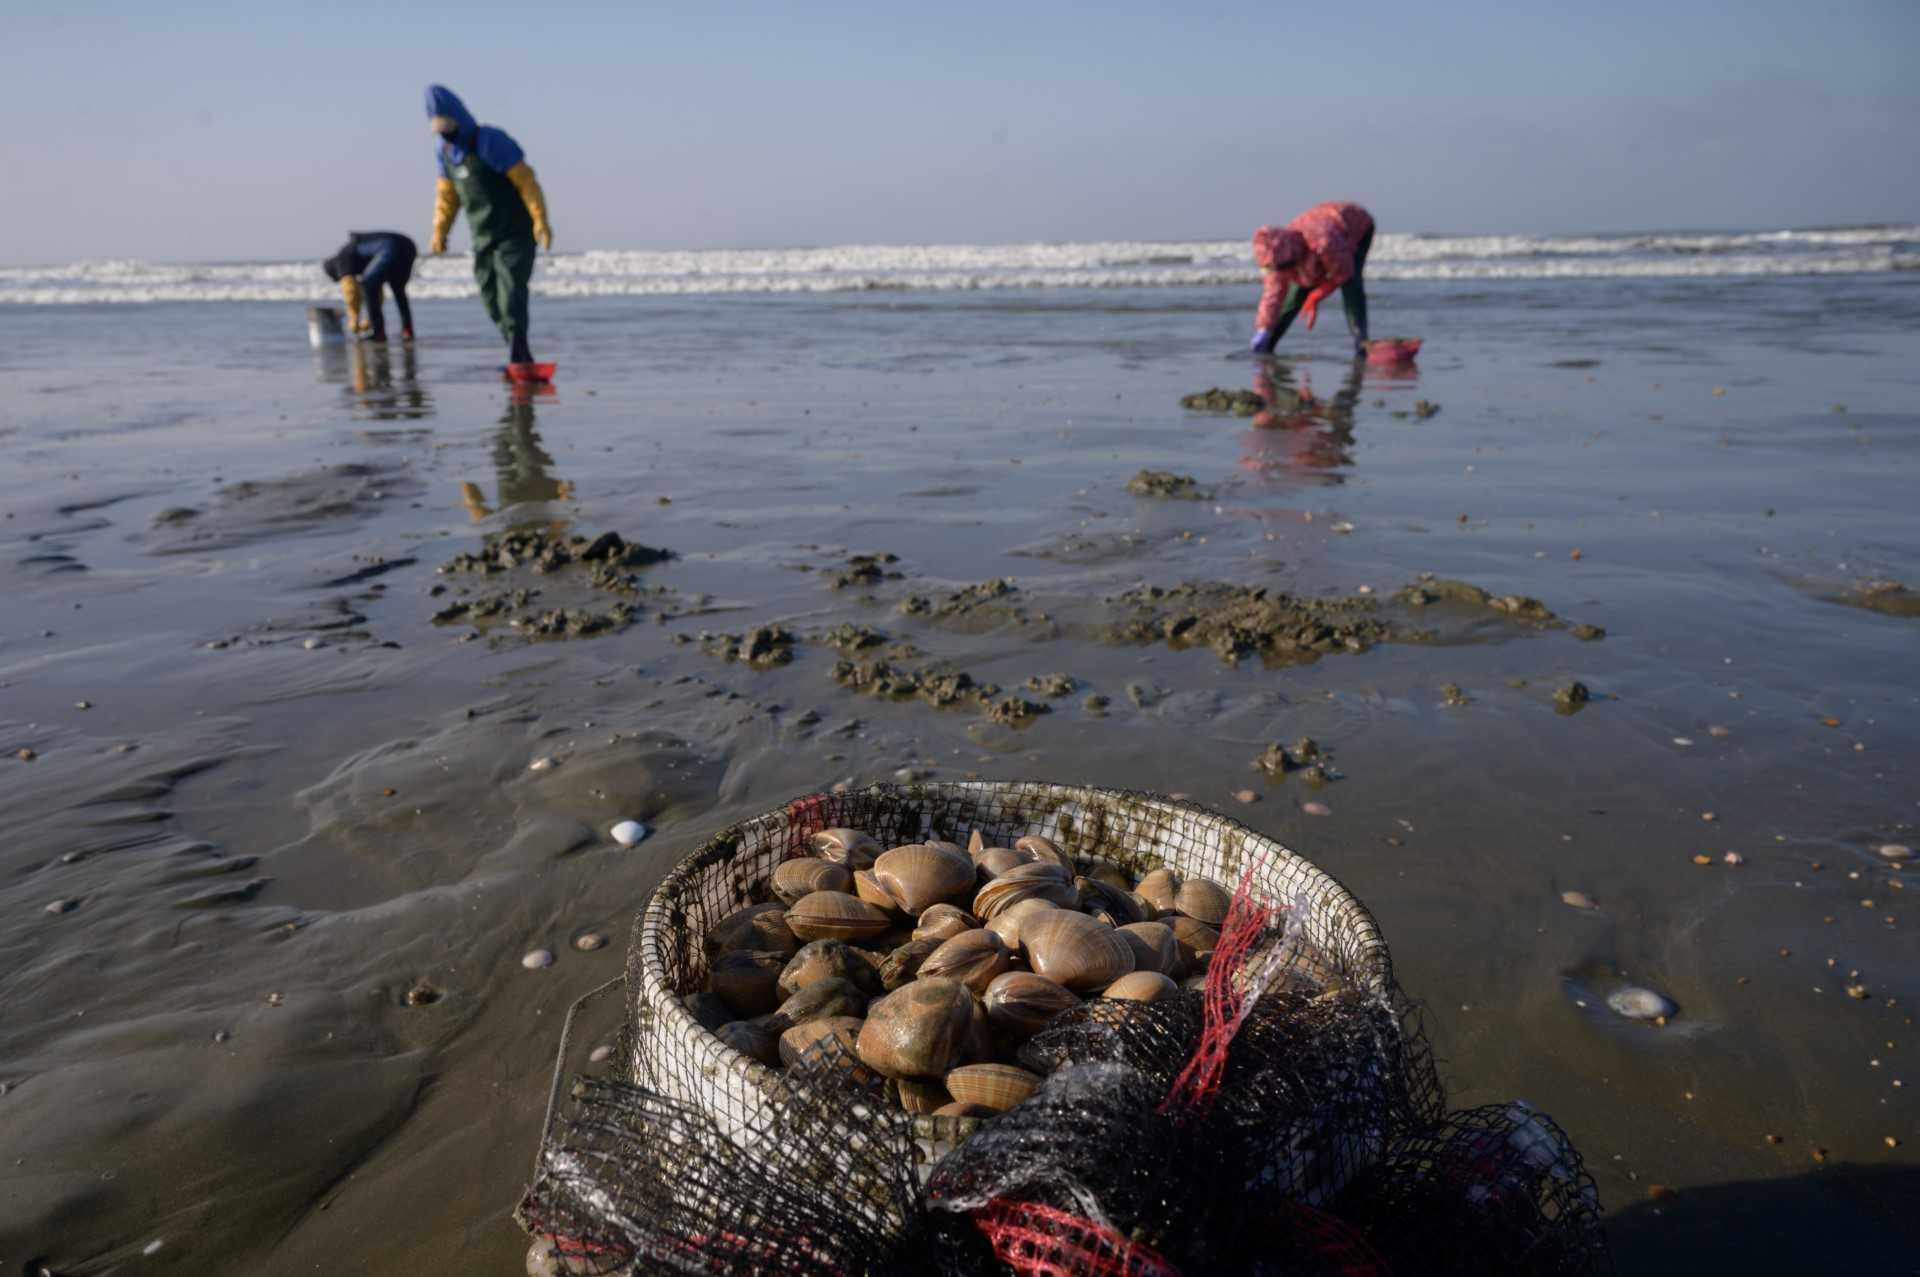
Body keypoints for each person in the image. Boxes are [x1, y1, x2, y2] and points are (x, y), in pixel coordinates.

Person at [424, 84, 553, 367]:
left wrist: (540, 218)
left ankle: (519, 354)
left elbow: (526, 181)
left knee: (511, 294)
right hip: (483, 236)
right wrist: (439, 232)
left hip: (515, 233)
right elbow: (447, 197)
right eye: (435, 125)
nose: (441, 129)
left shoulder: (490, 141)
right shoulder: (445, 151)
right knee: (490, 296)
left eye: (444, 121)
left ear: (455, 115)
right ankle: (516, 351)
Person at [1249, 202, 1374, 357]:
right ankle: (1269, 343)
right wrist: (1264, 329)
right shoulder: (1275, 256)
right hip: (1320, 238)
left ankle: (1361, 341)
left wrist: (1315, 296)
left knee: (1351, 285)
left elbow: (1343, 273)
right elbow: (1272, 296)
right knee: (1295, 294)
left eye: (1285, 268)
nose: (1282, 273)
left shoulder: (1324, 242)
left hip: (1353, 227)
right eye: (1278, 269)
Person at [322, 231, 417, 341]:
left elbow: (350, 291)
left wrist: (354, 320)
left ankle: (378, 333)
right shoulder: (359, 259)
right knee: (397, 289)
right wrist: (369, 320)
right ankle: (407, 330)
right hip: (408, 245)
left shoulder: (342, 258)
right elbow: (377, 292)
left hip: (389, 246)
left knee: (367, 284)